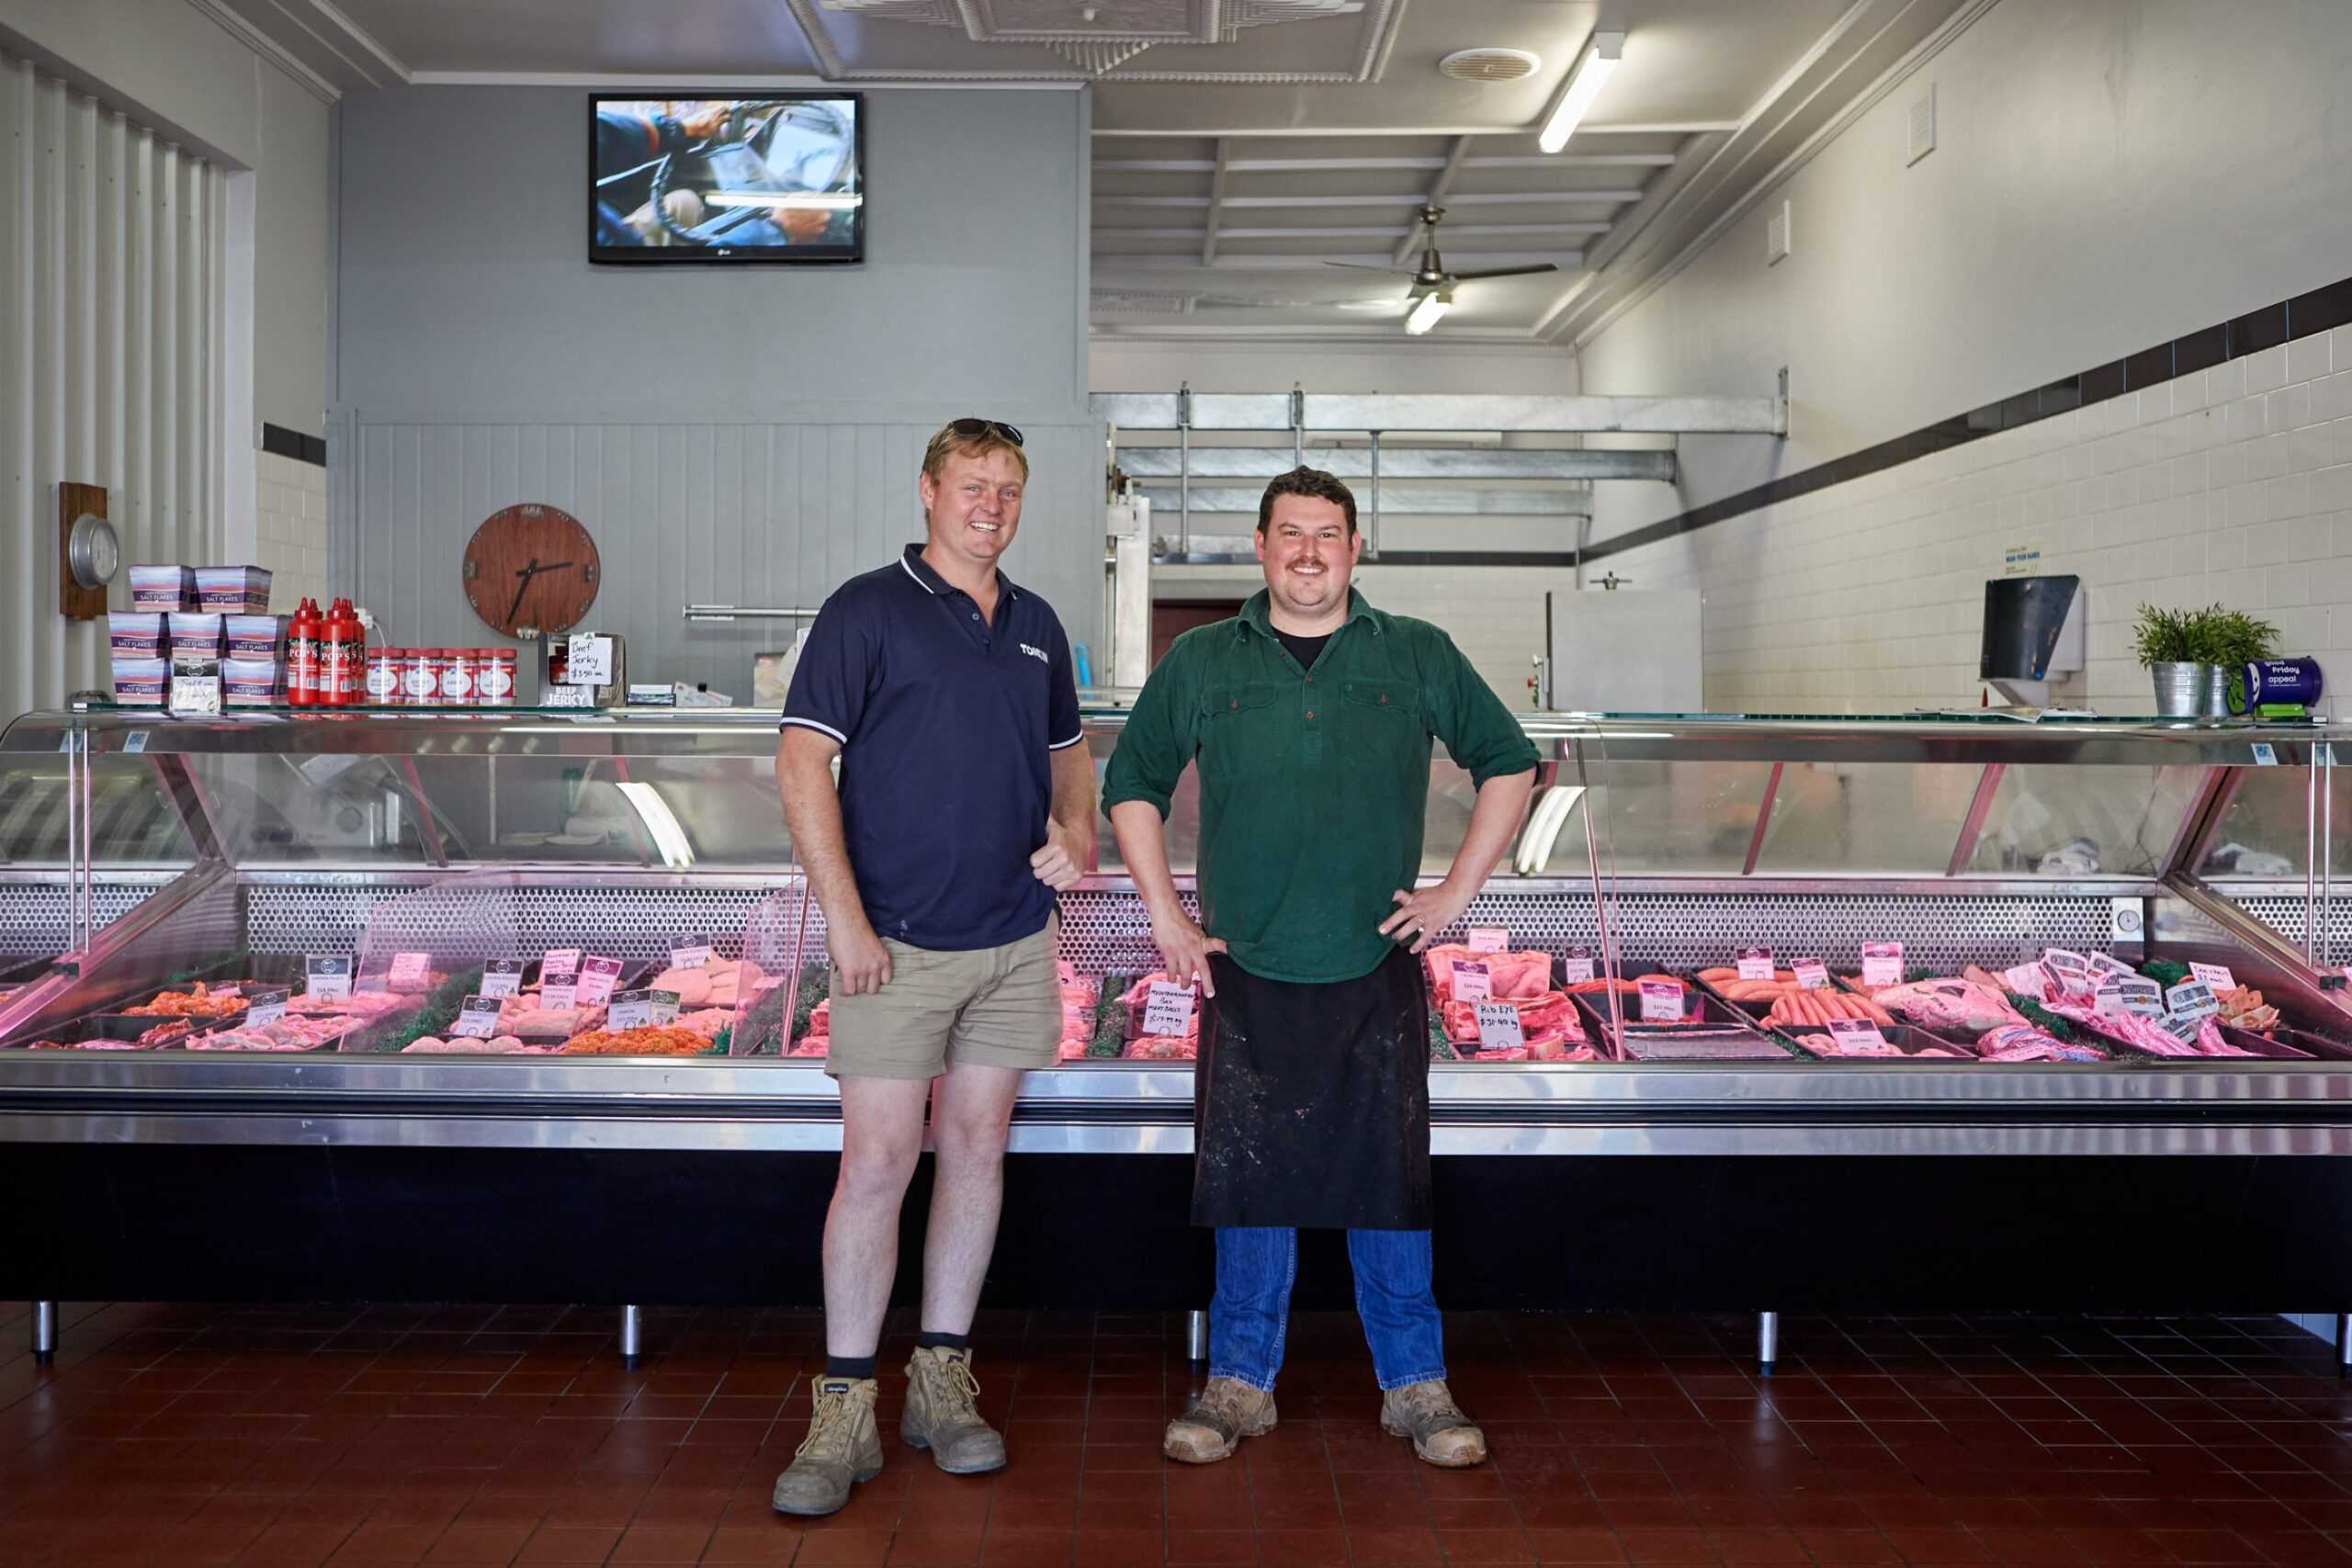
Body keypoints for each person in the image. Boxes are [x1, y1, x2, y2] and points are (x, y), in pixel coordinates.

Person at [1103, 466, 1538, 1470]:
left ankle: (1414, 1386)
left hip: (1373, 961)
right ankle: (1241, 1384)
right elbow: (1132, 785)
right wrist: (1165, 914)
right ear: (1259, 548)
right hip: (1245, 965)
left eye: (1328, 534)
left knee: (1389, 1184)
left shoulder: (1415, 651)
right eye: (1289, 533)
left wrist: (1454, 894)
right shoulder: (1205, 659)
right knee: (1247, 1183)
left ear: (1354, 549)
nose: (1308, 551)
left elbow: (1509, 762)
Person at [769, 417, 1096, 1517]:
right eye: (971, 484)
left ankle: (940, 1380)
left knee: (976, 1151)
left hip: (1014, 943)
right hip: (893, 946)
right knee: (874, 1168)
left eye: (1007, 487)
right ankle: (845, 1402)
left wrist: (1076, 835)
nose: (990, 504)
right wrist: (847, 924)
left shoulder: (1041, 626)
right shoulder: (866, 611)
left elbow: (1074, 769)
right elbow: (801, 765)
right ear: (928, 491)